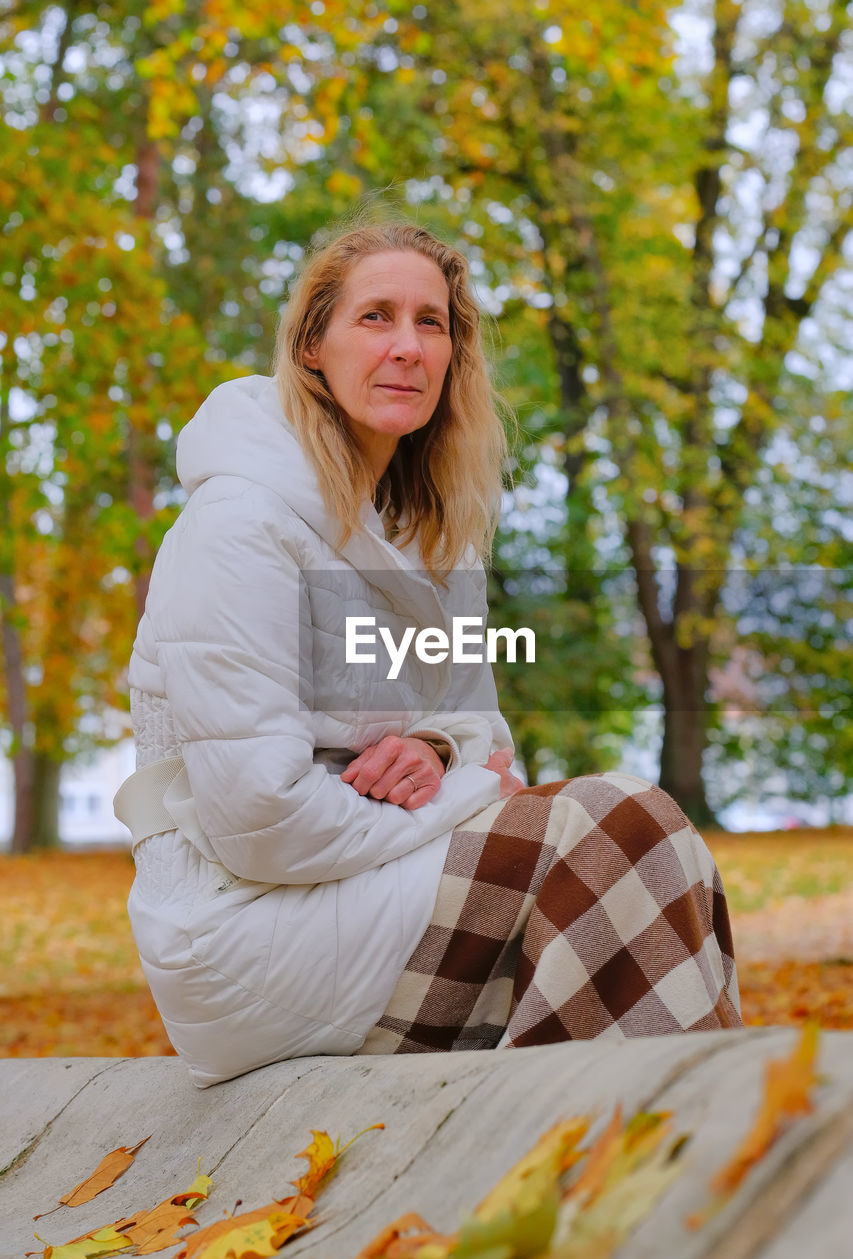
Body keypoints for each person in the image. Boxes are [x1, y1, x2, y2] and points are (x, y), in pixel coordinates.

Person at [115, 222, 741, 1088]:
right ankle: (643, 1149)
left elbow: (482, 730)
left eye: (431, 323)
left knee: (662, 845)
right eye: (375, 317)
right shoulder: (239, 528)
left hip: (369, 895)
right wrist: (472, 787)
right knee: (613, 824)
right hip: (243, 936)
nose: (407, 347)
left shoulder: (424, 536)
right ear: (310, 347)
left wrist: (438, 751)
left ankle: (643, 1144)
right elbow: (261, 824)